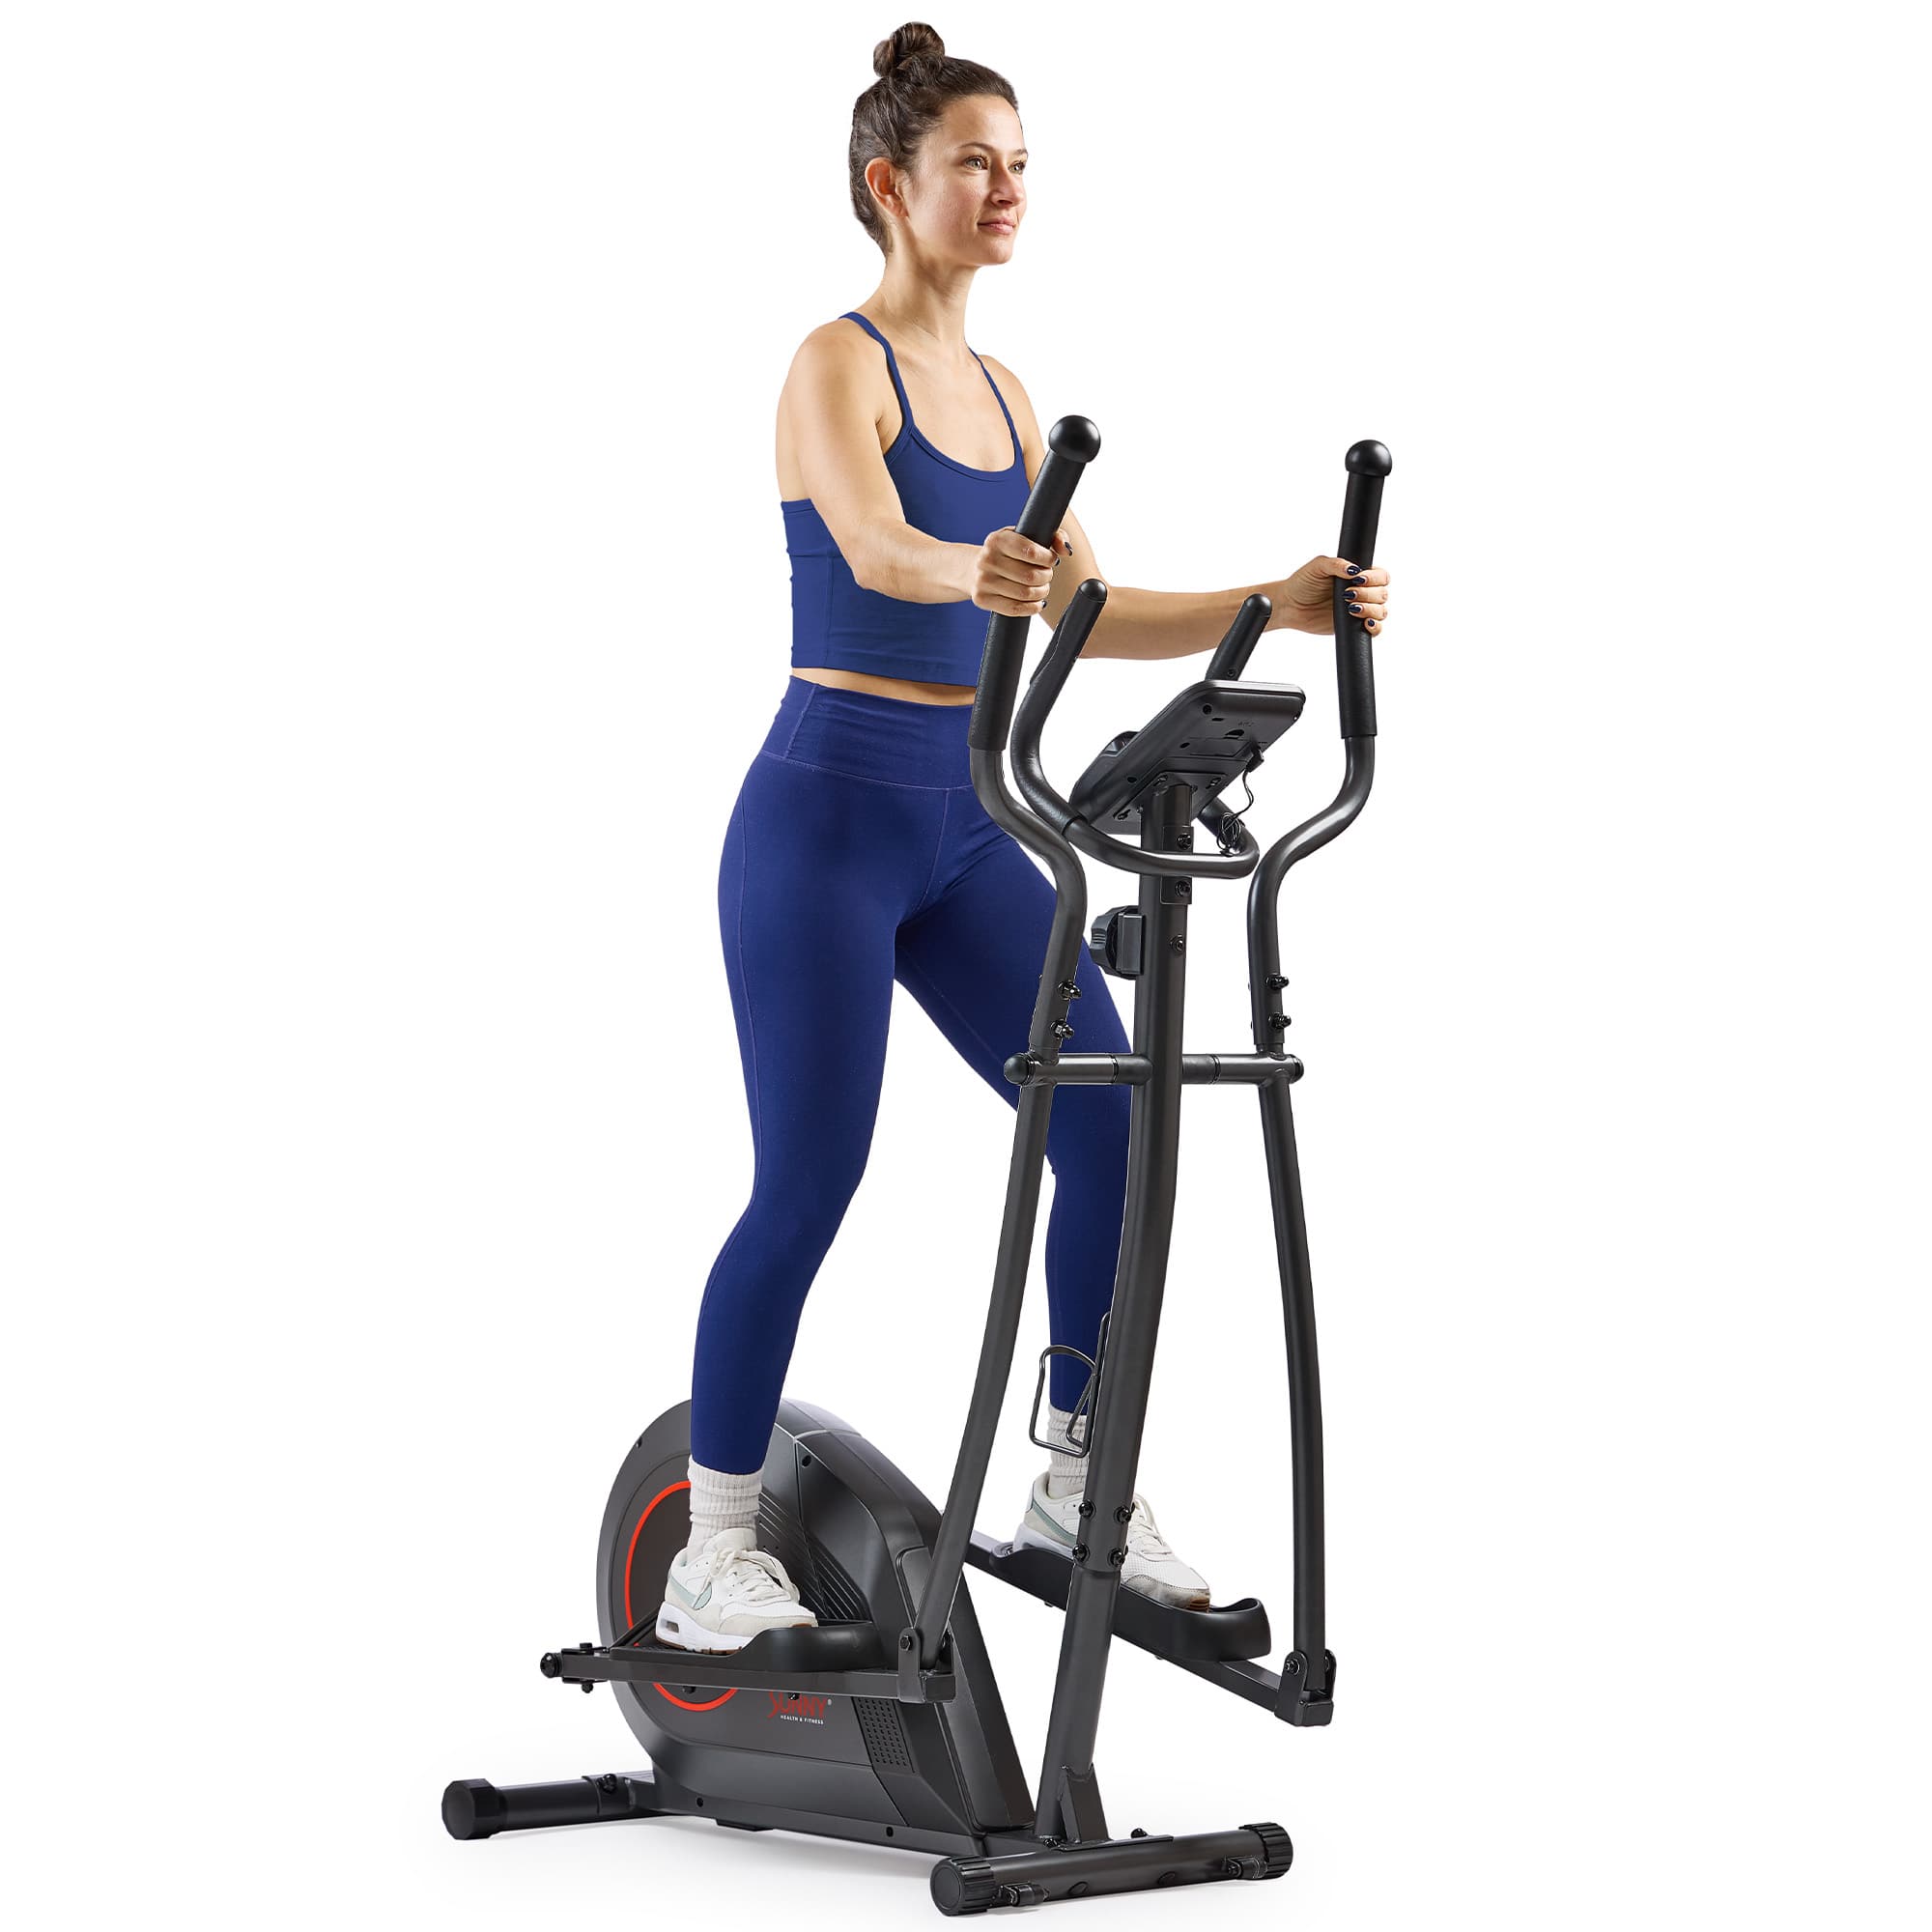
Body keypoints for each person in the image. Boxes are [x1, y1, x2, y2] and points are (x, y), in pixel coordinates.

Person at [654, 22, 1393, 1655]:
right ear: (889, 184)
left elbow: (1089, 609)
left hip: (971, 824)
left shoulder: (1006, 396)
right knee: (810, 1178)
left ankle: (1073, 1477)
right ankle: (711, 1548)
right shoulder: (833, 363)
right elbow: (878, 545)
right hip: (823, 822)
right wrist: (973, 568)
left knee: (1114, 1119)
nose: (1005, 189)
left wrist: (1275, 602)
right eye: (973, 163)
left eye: (1019, 165)